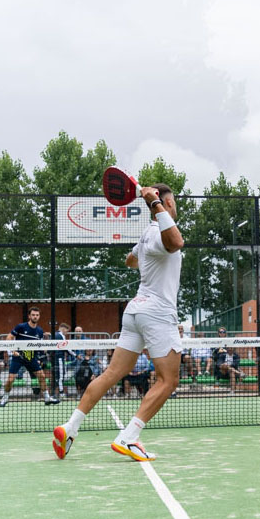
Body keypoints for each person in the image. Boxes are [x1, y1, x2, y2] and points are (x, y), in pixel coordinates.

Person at [53, 183, 184, 462]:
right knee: (168, 380)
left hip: (135, 310)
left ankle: (70, 427)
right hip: (158, 313)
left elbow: (129, 260)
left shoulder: (148, 234)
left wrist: (148, 261)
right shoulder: (161, 232)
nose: (174, 205)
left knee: (112, 373)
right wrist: (155, 203)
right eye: (172, 202)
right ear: (168, 204)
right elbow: (176, 243)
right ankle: (129, 437)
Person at [0, 307, 59, 406]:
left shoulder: (40, 331)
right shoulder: (21, 327)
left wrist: (39, 358)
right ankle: (5, 398)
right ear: (29, 316)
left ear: (39, 316)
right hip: (18, 357)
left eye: (37, 315)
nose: (35, 317)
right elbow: (9, 337)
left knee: (42, 376)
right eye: (33, 315)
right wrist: (12, 350)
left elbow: (38, 346)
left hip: (31, 358)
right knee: (10, 379)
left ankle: (47, 398)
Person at [49, 322, 71, 400]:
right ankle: (61, 394)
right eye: (66, 331)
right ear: (63, 328)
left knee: (55, 377)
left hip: (53, 359)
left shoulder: (53, 335)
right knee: (60, 376)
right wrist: (75, 355)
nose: (66, 333)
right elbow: (67, 348)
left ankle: (53, 394)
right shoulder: (61, 336)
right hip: (59, 359)